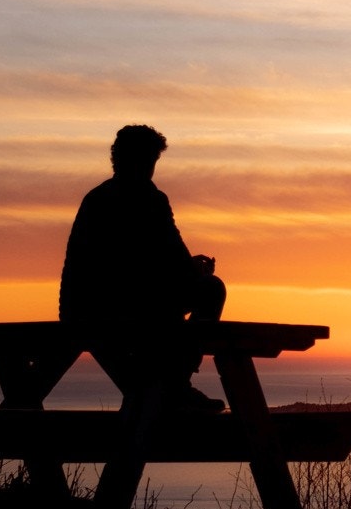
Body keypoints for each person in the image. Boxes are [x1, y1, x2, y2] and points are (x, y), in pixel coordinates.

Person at [59, 124, 227, 414]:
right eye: (150, 159)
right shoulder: (150, 199)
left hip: (82, 310)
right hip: (127, 308)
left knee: (163, 306)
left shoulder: (95, 198)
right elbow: (170, 261)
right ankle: (176, 386)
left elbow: (151, 262)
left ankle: (163, 389)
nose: (151, 168)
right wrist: (198, 272)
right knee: (211, 290)